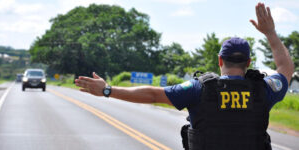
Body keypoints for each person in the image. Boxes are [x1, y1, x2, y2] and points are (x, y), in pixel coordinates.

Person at [75, 2, 294, 150]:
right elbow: (285, 68)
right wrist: (271, 33)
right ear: (248, 63)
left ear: (219, 61)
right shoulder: (264, 90)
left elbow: (153, 95)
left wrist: (107, 90)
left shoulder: (199, 89)